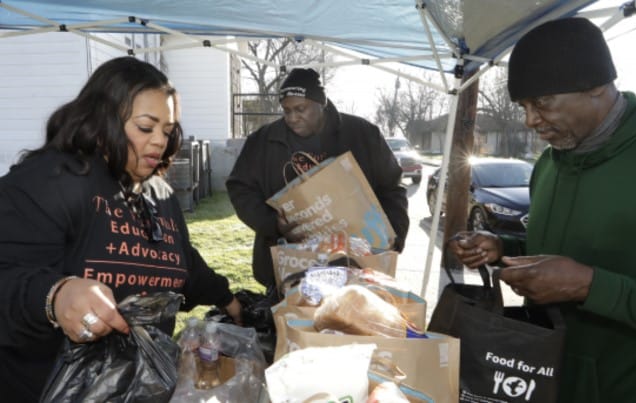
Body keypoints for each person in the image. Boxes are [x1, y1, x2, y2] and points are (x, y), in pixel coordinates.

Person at [449, 18, 636, 403]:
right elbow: (566, 250)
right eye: (523, 106)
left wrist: (589, 286)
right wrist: (503, 248)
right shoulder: (550, 164)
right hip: (545, 381)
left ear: (596, 86)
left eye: (542, 102)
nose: (530, 120)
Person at [0, 56, 243, 402]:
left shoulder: (159, 193)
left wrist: (226, 298)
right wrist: (54, 295)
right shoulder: (49, 181)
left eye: (168, 131)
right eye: (146, 127)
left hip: (139, 388)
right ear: (101, 119)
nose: (160, 141)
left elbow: (179, 262)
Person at [226, 68, 409, 292]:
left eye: (300, 109)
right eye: (286, 111)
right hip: (289, 270)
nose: (292, 118)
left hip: (356, 269)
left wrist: (394, 237)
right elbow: (239, 189)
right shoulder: (263, 141)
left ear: (321, 103)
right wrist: (272, 224)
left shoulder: (363, 134)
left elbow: (392, 188)